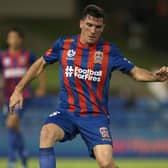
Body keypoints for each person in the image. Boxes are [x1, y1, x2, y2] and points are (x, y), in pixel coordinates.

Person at [9, 5, 168, 168]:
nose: (93, 30)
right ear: (81, 23)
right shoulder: (64, 45)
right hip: (67, 112)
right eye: (89, 25)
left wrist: (155, 77)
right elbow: (41, 63)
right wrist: (18, 89)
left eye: (98, 27)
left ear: (103, 28)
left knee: (106, 163)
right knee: (46, 132)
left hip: (95, 116)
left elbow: (135, 72)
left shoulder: (109, 51)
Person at [0, 27, 46, 168]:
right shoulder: (2, 56)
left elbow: (40, 67)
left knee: (10, 123)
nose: (12, 40)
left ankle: (13, 159)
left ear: (20, 39)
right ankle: (24, 154)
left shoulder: (27, 55)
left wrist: (41, 86)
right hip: (7, 97)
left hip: (22, 96)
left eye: (15, 37)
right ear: (7, 40)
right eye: (10, 37)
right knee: (13, 127)